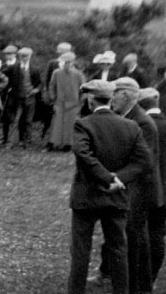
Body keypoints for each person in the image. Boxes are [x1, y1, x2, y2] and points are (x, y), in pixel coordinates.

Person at [68, 79, 151, 294]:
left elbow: (83, 154)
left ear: (90, 99)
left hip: (86, 197)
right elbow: (144, 161)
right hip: (116, 197)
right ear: (110, 99)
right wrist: (118, 179)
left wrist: (106, 177)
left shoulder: (83, 124)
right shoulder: (131, 126)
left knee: (80, 252)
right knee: (118, 249)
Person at [139, 87, 166, 287]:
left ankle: (141, 278)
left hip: (146, 187)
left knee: (140, 232)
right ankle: (152, 278)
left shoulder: (142, 127)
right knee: (157, 232)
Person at [0, 47, 42, 147]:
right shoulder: (13, 67)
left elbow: (39, 83)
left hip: (30, 98)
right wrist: (8, 87)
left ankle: (26, 142)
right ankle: (10, 142)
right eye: (22, 56)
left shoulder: (34, 69)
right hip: (16, 98)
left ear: (30, 56)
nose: (25, 58)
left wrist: (36, 90)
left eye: (26, 56)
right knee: (14, 120)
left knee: (28, 121)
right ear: (19, 56)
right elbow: (2, 76)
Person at [49, 52, 86, 151]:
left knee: (70, 125)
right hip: (59, 102)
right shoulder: (56, 73)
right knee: (57, 124)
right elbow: (51, 86)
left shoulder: (79, 74)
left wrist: (81, 102)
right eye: (65, 62)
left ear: (73, 62)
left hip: (74, 104)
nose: (67, 64)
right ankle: (54, 143)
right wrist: (52, 98)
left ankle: (68, 145)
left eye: (69, 62)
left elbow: (84, 89)